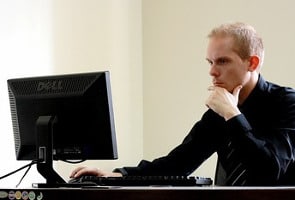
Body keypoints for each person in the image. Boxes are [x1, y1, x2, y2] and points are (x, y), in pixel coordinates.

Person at [70, 22, 295, 186]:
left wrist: (232, 114)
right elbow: (178, 163)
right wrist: (117, 175)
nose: (212, 71)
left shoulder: (286, 102)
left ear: (252, 63)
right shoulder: (220, 111)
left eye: (223, 61)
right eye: (210, 62)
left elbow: (270, 171)